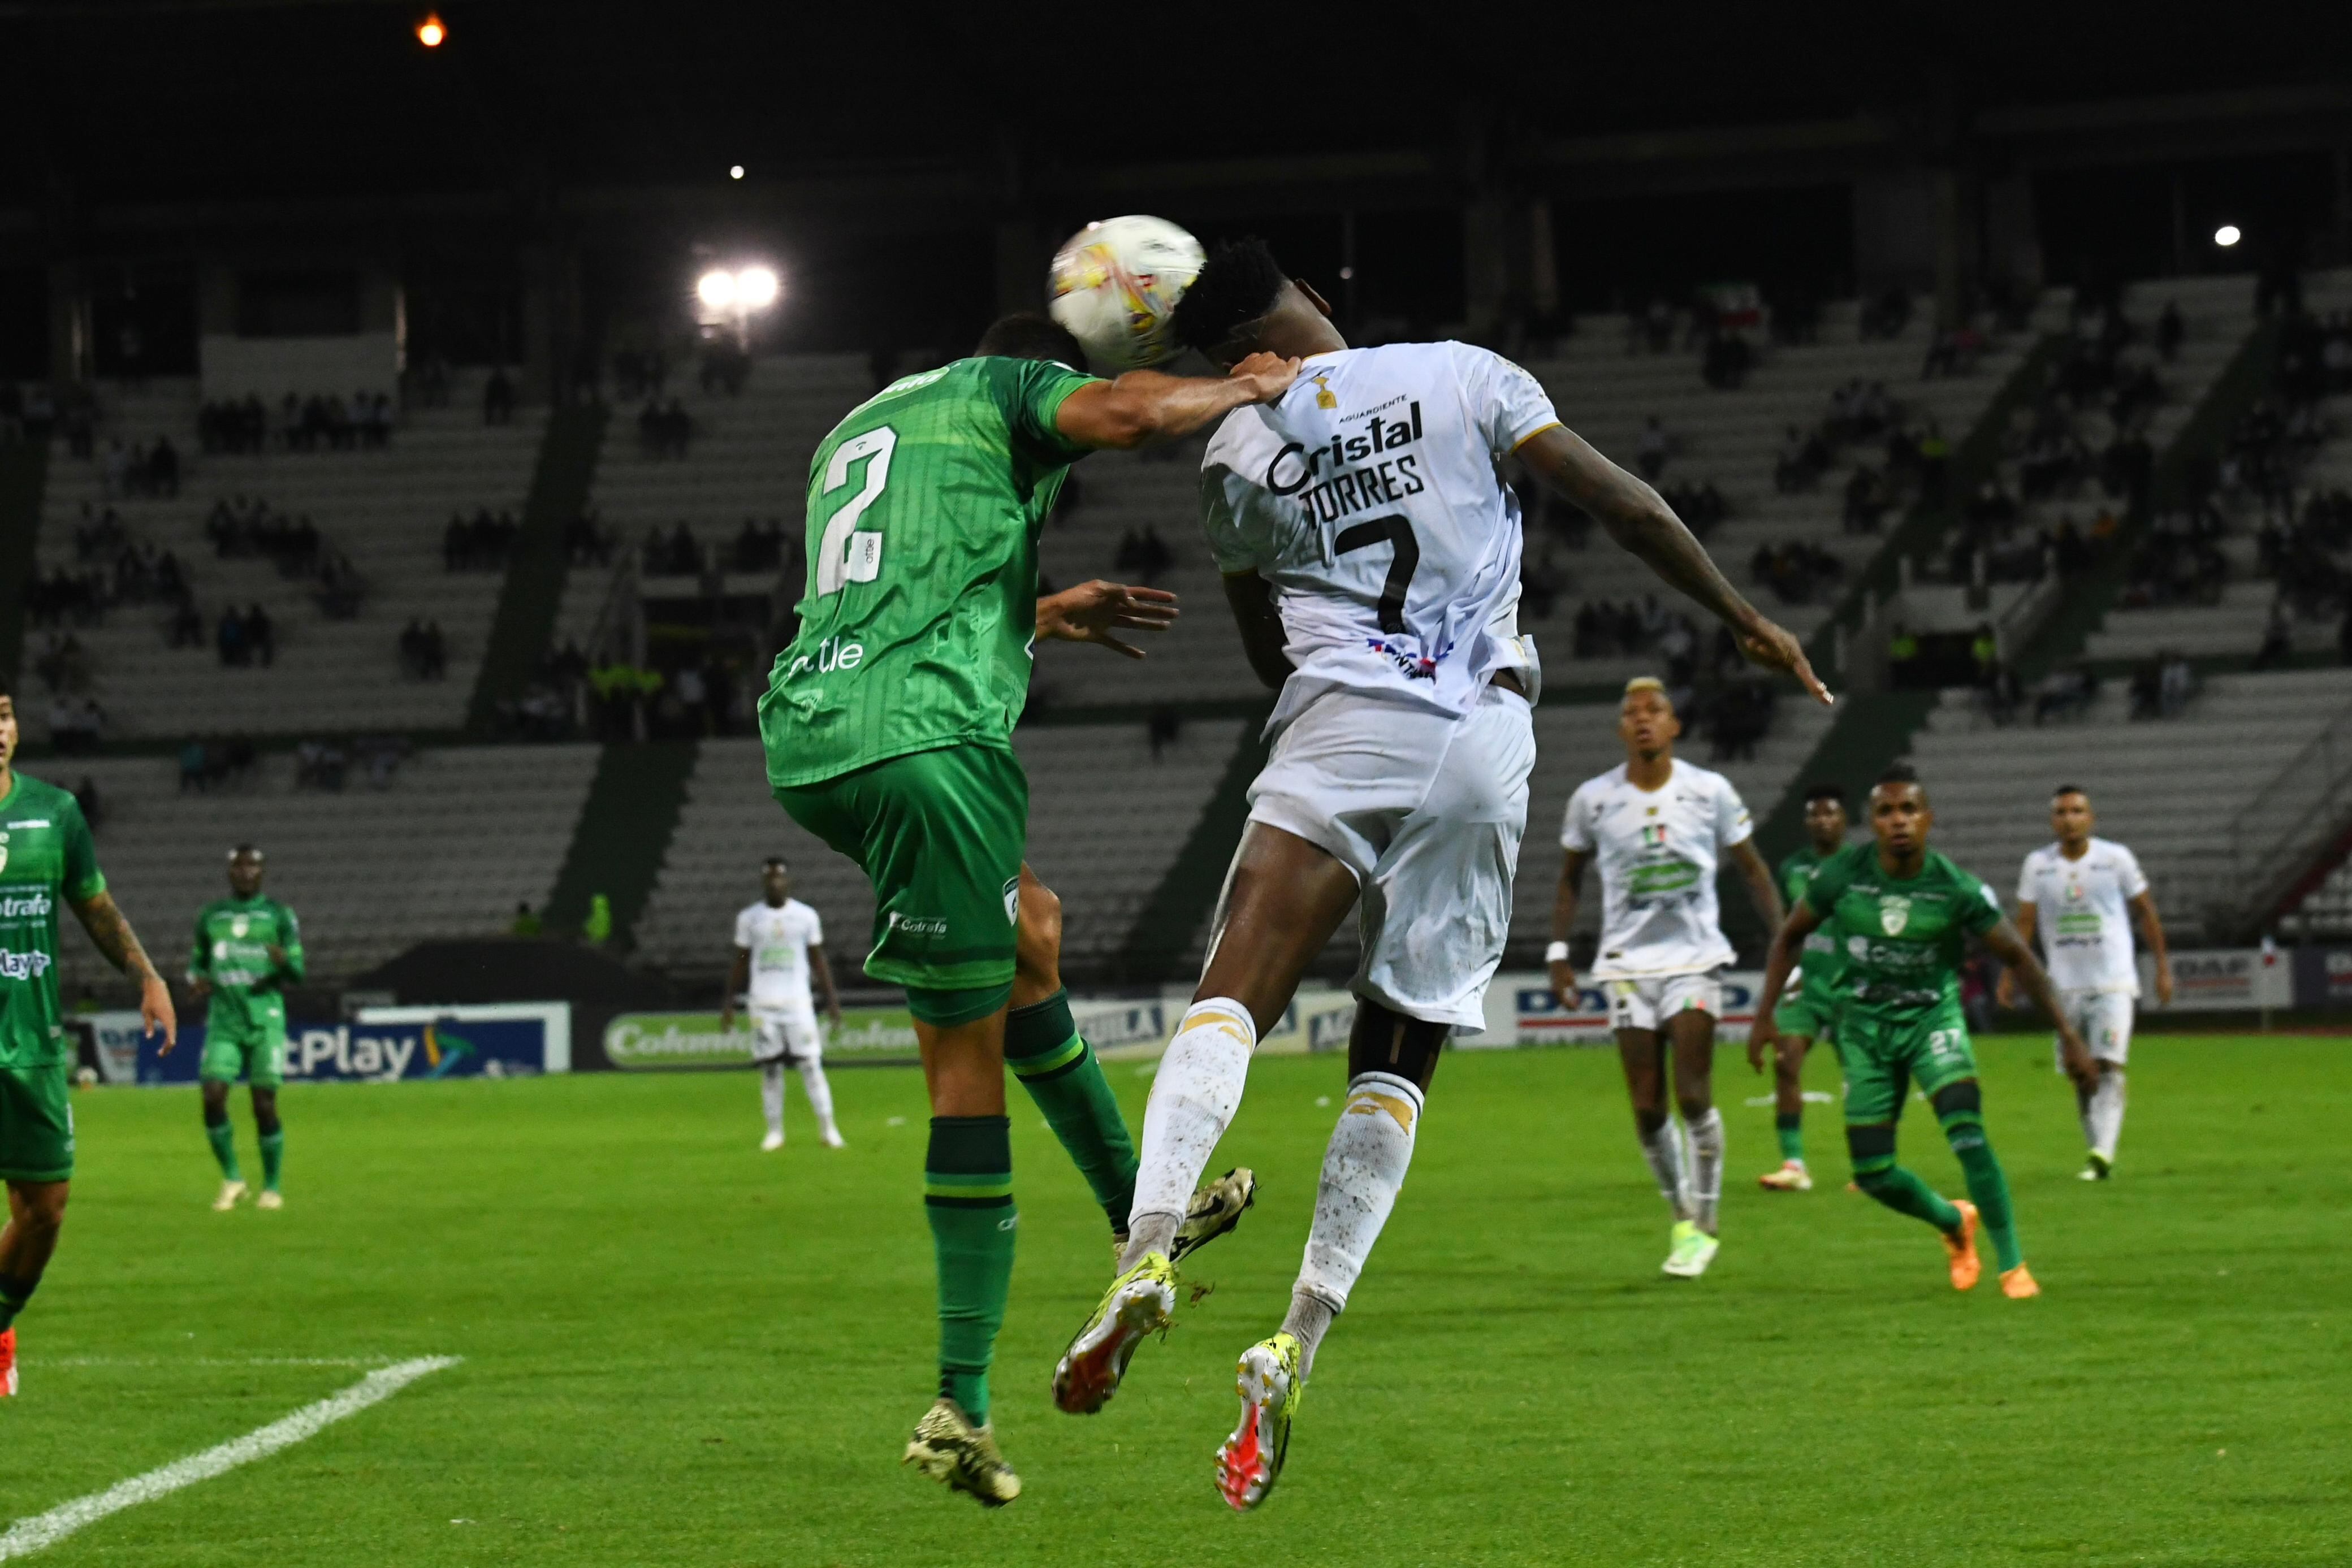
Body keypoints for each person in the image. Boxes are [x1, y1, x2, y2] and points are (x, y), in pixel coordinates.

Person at [1050, 239, 1826, 1511]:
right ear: (1309, 290)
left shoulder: (1232, 450)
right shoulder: (1464, 372)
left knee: (1232, 987)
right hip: (1482, 737)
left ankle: (1145, 1252)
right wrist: (1742, 618)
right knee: (1396, 1052)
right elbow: (1619, 500)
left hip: (1345, 720)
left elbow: (1262, 646)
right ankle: (1298, 1331)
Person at [758, 310, 1291, 1506]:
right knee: (965, 1067)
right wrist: (1242, 386)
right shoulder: (1011, 386)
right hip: (927, 746)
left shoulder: (868, 423)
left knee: (1030, 935)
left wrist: (1041, 614)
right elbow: (1128, 413)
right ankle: (960, 1398)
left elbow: (882, 592)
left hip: (813, 737)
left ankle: (1138, 1214)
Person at [1753, 764, 2092, 1301]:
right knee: (1873, 1173)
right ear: (1872, 822)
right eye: (1886, 812)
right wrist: (1764, 1016)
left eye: (1909, 810)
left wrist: (2069, 1037)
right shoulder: (1844, 875)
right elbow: (1789, 937)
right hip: (1863, 1028)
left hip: (1933, 1021)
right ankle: (1954, 1223)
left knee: (1969, 1135)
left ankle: (2013, 1266)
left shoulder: (1953, 886)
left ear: (1928, 819)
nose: (1898, 821)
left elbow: (2018, 956)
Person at [1549, 677, 1787, 1277]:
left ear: (1675, 725)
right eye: (1631, 713)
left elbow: (1753, 870)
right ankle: (1681, 1212)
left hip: (1694, 959)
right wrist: (1557, 950)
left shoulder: (1709, 790)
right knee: (1648, 1107)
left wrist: (1787, 943)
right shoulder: (1593, 798)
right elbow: (1570, 876)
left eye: (1655, 710)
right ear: (1622, 729)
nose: (1643, 719)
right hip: (1626, 965)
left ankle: (1703, 1222)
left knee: (1691, 1093)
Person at [0, 679, 177, 1397]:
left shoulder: (55, 811)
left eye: (5, 712)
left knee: (43, 1212)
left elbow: (93, 903)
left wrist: (147, 975)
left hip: (32, 1047)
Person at [1999, 787, 2171, 1180]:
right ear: (2052, 820)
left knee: (2109, 1065)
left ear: (2090, 818)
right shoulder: (2038, 865)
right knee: (2081, 1071)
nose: (2069, 818)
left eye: (2077, 811)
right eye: (2061, 812)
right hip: (2062, 987)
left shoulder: (2116, 859)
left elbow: (2146, 912)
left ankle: (2102, 1153)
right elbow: (2023, 923)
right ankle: (2097, 1150)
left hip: (2113, 982)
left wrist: (2162, 966)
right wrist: (2010, 973)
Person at [188, 846, 304, 1210]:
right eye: (238, 866)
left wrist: (284, 963)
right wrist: (197, 980)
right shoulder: (211, 917)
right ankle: (233, 1179)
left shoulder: (279, 916)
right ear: (229, 872)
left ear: (263, 872)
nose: (245, 872)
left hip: (265, 1019)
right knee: (212, 1097)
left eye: (252, 865)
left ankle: (272, 1186)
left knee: (263, 1104)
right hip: (224, 1021)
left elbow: (299, 973)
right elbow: (196, 966)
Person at [1750, 782, 1851, 1191]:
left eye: (1831, 813)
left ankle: (1871, 1165)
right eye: (1815, 814)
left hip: (1850, 982)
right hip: (1805, 983)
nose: (1822, 821)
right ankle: (1794, 1165)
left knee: (1864, 1076)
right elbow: (1786, 929)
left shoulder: (1862, 865)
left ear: (1845, 820)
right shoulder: (1792, 868)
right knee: (1786, 1063)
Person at [718, 857, 846, 1152]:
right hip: (763, 1005)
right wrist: (729, 1003)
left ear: (788, 882)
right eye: (770, 879)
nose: (775, 883)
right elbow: (740, 962)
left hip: (798, 1004)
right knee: (770, 1068)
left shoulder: (805, 916)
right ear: (764, 883)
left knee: (811, 1065)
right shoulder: (749, 918)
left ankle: (829, 1129)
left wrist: (832, 1001)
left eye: (780, 878)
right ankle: (775, 1132)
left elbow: (818, 960)